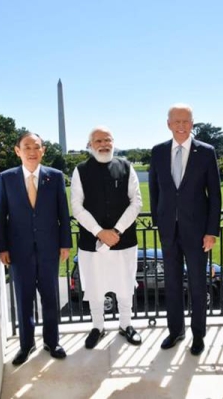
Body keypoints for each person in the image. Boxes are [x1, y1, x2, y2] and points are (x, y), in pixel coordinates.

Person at [148, 103, 222, 356]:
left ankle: (198, 335)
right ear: (168, 124)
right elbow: (155, 191)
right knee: (171, 283)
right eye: (176, 121)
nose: (181, 126)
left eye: (186, 121)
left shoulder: (206, 152)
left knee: (199, 284)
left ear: (193, 124)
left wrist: (212, 231)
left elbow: (215, 195)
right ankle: (175, 331)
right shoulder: (158, 152)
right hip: (168, 231)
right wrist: (160, 222)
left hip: (198, 232)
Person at [0, 131, 72, 365]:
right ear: (18, 151)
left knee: (50, 298)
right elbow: (1, 216)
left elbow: (63, 213)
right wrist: (2, 248)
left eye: (36, 146)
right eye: (26, 146)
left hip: (49, 249)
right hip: (19, 252)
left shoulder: (55, 177)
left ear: (43, 150)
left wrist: (65, 243)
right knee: (23, 298)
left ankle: (52, 341)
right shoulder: (6, 178)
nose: (32, 151)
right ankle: (26, 345)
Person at [71, 126, 143, 349]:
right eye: (98, 141)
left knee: (124, 285)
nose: (103, 144)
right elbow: (76, 206)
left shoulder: (126, 167)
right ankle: (97, 327)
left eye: (107, 140)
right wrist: (100, 232)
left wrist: (117, 231)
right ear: (90, 145)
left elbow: (137, 202)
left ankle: (126, 325)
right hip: (92, 243)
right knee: (95, 286)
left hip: (124, 241)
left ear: (113, 142)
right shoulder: (80, 170)